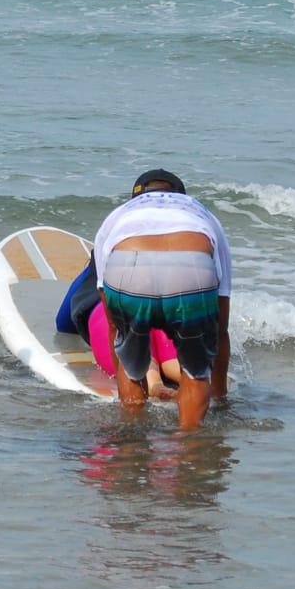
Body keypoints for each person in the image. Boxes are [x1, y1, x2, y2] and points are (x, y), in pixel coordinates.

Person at [92, 169, 232, 429]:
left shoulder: (119, 215)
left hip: (128, 263)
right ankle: (192, 451)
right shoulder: (200, 213)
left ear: (136, 196)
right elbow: (220, 329)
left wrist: (125, 348)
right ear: (180, 195)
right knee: (194, 372)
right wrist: (220, 399)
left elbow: (112, 321)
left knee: (130, 365)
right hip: (191, 264)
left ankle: (133, 443)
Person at [56, 253, 182, 399]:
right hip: (167, 310)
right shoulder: (181, 246)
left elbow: (63, 323)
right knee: (171, 354)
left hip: (113, 310)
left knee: (129, 331)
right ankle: (183, 374)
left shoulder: (108, 248)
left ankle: (153, 382)